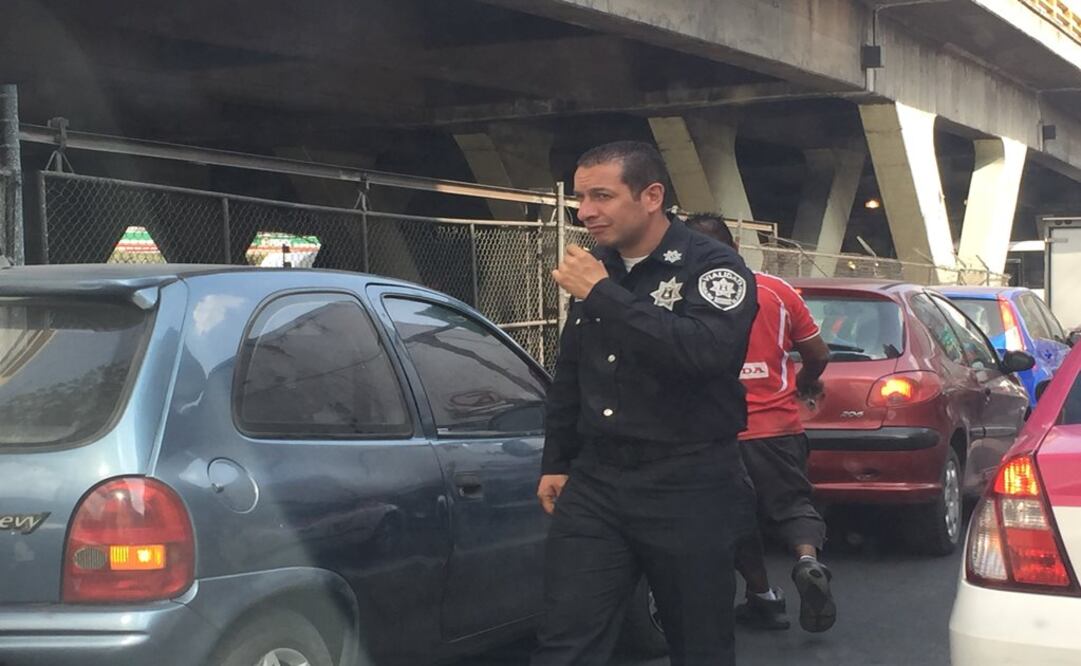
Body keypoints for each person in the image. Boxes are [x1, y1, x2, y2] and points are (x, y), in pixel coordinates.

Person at [532, 141, 758, 666]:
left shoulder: (714, 268)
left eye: (602, 196)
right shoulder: (598, 268)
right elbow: (572, 371)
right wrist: (557, 460)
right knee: (565, 638)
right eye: (582, 197)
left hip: (689, 481)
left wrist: (604, 294)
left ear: (651, 195)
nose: (585, 210)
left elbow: (705, 354)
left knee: (698, 642)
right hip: (598, 482)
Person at [684, 213, 835, 634]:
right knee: (793, 505)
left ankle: (763, 597)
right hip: (777, 426)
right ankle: (807, 560)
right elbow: (817, 353)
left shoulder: (679, 296)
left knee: (737, 519)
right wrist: (802, 384)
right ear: (734, 248)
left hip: (713, 433)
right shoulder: (775, 289)